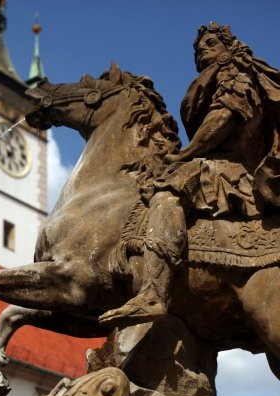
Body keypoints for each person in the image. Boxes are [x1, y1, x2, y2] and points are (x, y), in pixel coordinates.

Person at [99, 22, 280, 328]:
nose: (201, 51)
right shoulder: (223, 75)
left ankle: (153, 294)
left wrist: (186, 154)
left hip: (230, 168)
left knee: (169, 190)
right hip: (219, 161)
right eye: (198, 48)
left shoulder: (235, 72)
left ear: (227, 47)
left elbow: (221, 120)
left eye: (210, 44)